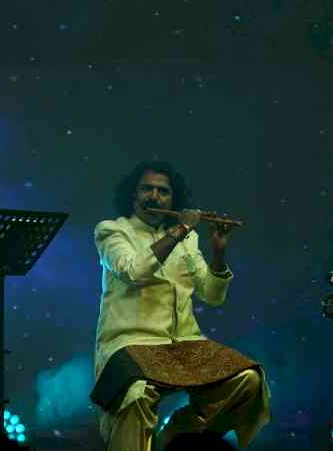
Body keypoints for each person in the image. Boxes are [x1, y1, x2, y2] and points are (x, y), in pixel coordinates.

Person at [90, 160, 270, 451]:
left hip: (184, 343)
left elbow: (212, 296)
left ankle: (176, 435)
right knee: (135, 394)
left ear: (173, 199)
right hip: (131, 343)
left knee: (248, 381)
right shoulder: (112, 231)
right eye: (146, 189)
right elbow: (135, 271)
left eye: (163, 191)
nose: (154, 196)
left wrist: (219, 250)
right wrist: (180, 228)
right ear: (132, 196)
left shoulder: (189, 240)